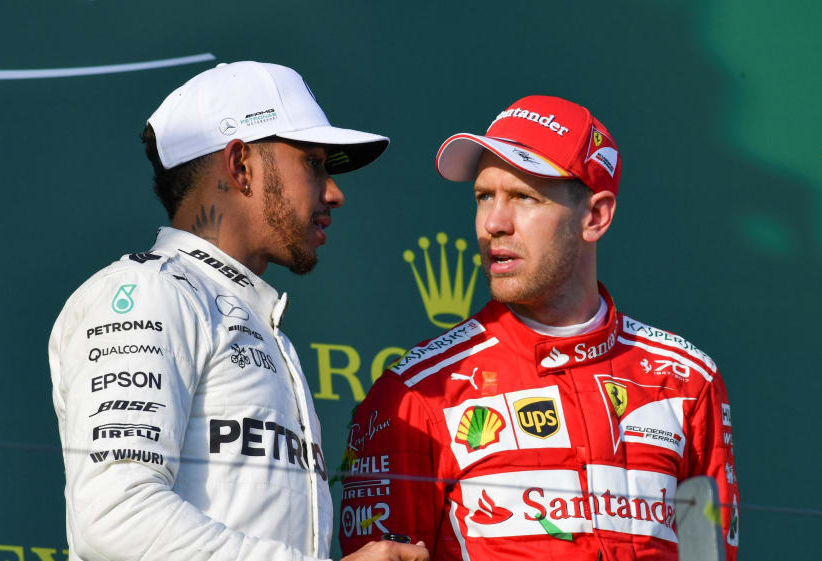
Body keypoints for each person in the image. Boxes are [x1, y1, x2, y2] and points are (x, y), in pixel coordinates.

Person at [49, 61, 428, 561]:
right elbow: (115, 519)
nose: (334, 193)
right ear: (240, 165)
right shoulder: (146, 291)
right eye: (313, 164)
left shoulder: (258, 325)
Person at [339, 96, 738, 560]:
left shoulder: (687, 380)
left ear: (595, 216)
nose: (493, 223)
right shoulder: (417, 393)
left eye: (523, 197)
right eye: (484, 197)